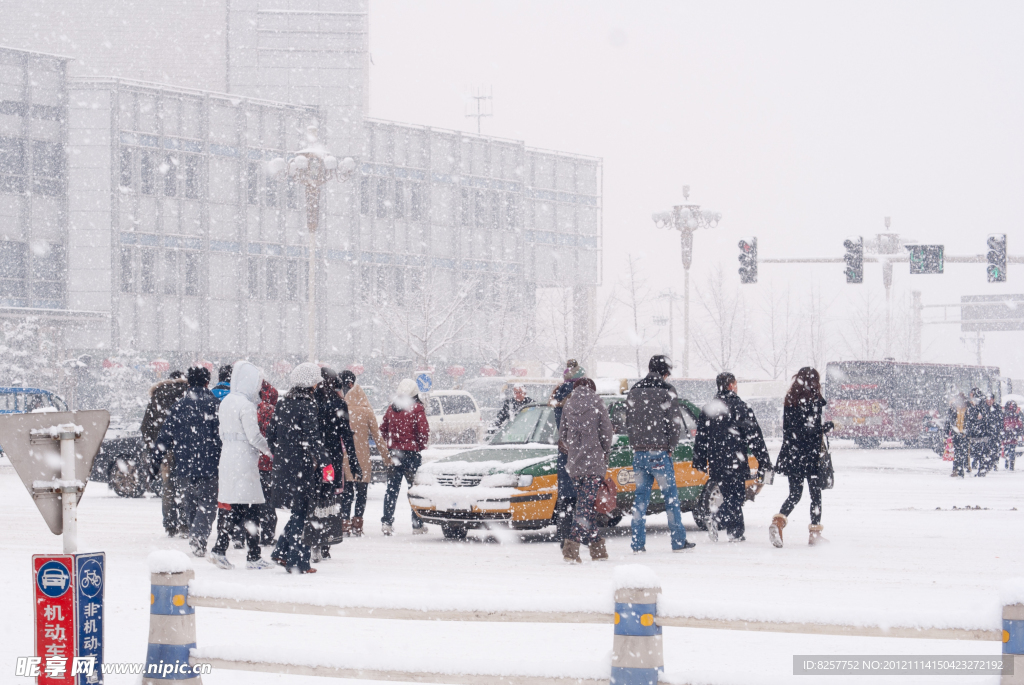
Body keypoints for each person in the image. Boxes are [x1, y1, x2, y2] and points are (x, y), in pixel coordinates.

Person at [208, 361, 276, 570]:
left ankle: (223, 550)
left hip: (228, 457)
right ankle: (251, 556)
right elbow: (254, 436)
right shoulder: (246, 406)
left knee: (235, 507)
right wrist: (269, 451)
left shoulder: (226, 401)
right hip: (244, 460)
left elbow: (220, 433)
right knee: (252, 508)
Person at [625, 355, 694, 554]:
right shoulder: (667, 391)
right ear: (665, 372)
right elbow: (674, 424)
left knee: (640, 499)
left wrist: (636, 444)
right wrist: (670, 447)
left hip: (639, 452)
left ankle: (637, 543)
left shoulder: (634, 391)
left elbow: (628, 422)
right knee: (670, 498)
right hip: (659, 452)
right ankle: (678, 540)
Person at [692, 372, 772, 543]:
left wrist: (699, 460)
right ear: (731, 385)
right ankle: (725, 525)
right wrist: (764, 461)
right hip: (736, 460)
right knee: (736, 496)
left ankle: (727, 526)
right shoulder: (740, 406)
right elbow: (755, 437)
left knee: (729, 495)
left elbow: (701, 437)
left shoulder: (709, 408)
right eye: (735, 383)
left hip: (716, 461)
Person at [156, 366, 222, 558]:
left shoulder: (179, 406)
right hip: (209, 465)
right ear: (207, 382)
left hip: (184, 464)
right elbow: (220, 436)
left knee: (190, 501)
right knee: (208, 504)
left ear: (189, 382)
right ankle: (198, 536)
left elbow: (164, 436)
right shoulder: (215, 404)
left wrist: (155, 459)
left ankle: (194, 531)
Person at [268, 362, 327, 574]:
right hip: (301, 465)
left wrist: (282, 451)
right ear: (311, 384)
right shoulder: (308, 405)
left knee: (298, 511)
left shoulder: (283, 403)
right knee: (303, 512)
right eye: (315, 383)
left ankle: (281, 552)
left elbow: (271, 434)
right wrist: (326, 462)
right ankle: (297, 561)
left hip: (283, 464)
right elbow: (313, 438)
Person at [770, 367, 833, 547]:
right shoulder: (813, 400)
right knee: (815, 495)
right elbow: (810, 430)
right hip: (810, 456)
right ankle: (814, 533)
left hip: (792, 454)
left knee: (794, 494)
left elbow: (791, 430)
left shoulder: (790, 400)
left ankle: (778, 522)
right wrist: (825, 427)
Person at [560, 377, 614, 563]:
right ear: (592, 388)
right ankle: (571, 549)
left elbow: (563, 435)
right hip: (594, 463)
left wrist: (575, 450)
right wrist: (604, 451)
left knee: (586, 506)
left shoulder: (568, 405)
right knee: (585, 508)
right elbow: (606, 432)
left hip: (575, 464)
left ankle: (598, 550)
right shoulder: (598, 402)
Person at [313, 367, 357, 560]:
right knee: (329, 498)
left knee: (315, 498)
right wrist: (354, 461)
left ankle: (314, 538)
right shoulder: (339, 403)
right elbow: (346, 434)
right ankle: (325, 542)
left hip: (313, 459)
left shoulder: (311, 402)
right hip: (331, 461)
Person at [140, 369, 188, 537]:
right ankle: (185, 522)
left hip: (164, 450)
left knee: (168, 487)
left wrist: (154, 447)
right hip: (184, 449)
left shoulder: (157, 396)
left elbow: (145, 427)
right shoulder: (188, 395)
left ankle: (169, 524)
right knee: (185, 485)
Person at [339, 370, 387, 537]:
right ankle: (357, 524)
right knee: (361, 492)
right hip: (363, 459)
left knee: (346, 493)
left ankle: (344, 522)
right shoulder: (367, 411)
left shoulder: (343, 409)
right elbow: (378, 438)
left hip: (345, 457)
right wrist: (387, 459)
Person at [380, 378, 430, 536]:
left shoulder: (391, 409)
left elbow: (383, 429)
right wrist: (419, 447)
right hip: (411, 455)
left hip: (394, 454)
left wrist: (391, 444)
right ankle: (417, 525)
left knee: (391, 490)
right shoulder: (417, 408)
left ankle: (387, 523)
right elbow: (423, 432)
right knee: (414, 490)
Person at [548, 360, 583, 543]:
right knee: (581, 497)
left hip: (565, 452)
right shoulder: (579, 398)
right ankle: (578, 537)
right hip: (580, 452)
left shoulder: (559, 396)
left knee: (566, 497)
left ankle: (564, 537)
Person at [256, 380, 279, 545]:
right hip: (268, 463)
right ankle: (267, 535)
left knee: (250, 500)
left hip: (250, 461)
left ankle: (244, 534)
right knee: (268, 502)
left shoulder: (251, 409)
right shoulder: (272, 412)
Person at [945, 393, 970, 478]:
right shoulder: (953, 408)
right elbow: (948, 421)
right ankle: (958, 469)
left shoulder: (968, 409)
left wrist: (965, 431)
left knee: (962, 453)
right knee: (957, 453)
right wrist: (947, 432)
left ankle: (960, 469)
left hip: (964, 434)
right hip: (956, 433)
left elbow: (970, 422)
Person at [1004, 400, 1023, 471]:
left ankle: (1008, 462)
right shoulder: (1016, 416)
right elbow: (1020, 424)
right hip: (1012, 434)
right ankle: (1010, 463)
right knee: (1011, 450)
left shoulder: (1006, 415)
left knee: (1008, 449)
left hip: (1008, 435)